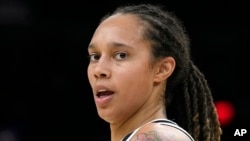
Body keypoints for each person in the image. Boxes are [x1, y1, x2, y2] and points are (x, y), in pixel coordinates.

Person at [87, 3, 222, 141]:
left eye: (121, 55)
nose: (99, 70)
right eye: (95, 57)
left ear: (162, 69)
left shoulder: (160, 137)